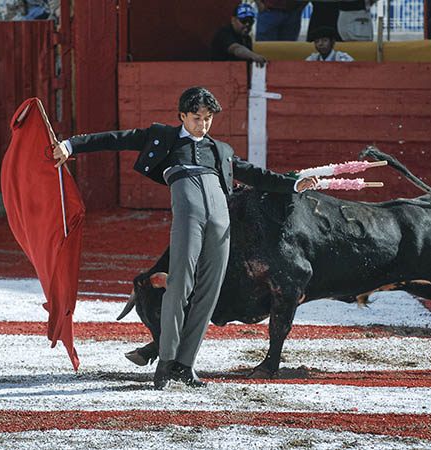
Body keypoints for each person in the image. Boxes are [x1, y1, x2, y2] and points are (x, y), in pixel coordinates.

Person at [53, 87, 318, 390]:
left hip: (221, 216)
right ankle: (166, 362)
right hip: (189, 210)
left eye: (208, 119)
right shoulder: (163, 137)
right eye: (196, 118)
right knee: (179, 284)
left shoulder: (221, 150)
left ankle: (185, 365)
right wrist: (71, 145)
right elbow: (118, 139)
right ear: (182, 116)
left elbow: (254, 174)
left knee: (209, 290)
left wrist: (293, 184)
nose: (202, 125)